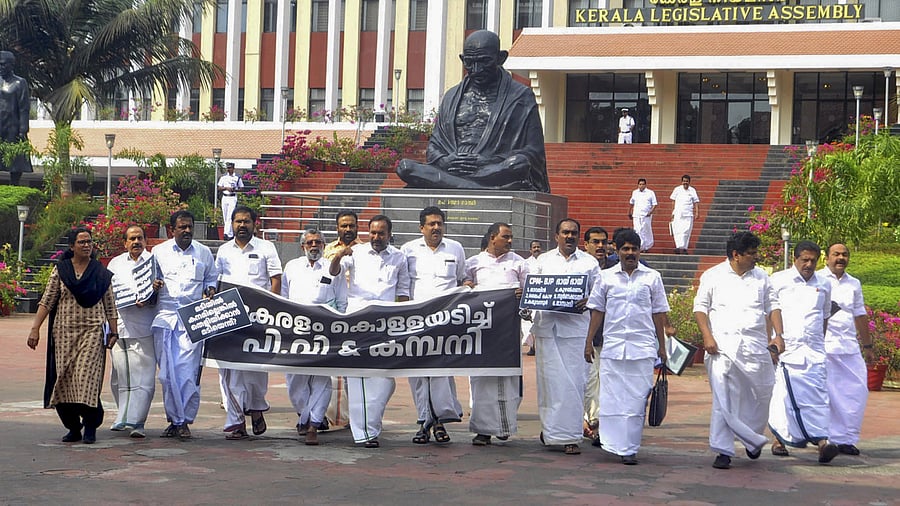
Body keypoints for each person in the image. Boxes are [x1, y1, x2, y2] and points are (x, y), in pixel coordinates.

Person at [396, 30, 549, 192]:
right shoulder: (451, 96)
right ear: (462, 59)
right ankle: (485, 188)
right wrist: (445, 161)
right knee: (405, 167)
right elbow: (435, 145)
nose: (476, 69)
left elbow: (534, 151)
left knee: (518, 163)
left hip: (492, 168)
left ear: (501, 58)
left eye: (484, 61)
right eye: (469, 62)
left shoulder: (520, 96)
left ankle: (451, 183)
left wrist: (488, 161)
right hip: (454, 168)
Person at [693, 232, 784, 470]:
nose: (755, 257)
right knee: (724, 400)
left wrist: (778, 335)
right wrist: (707, 336)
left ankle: (752, 439)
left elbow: (772, 306)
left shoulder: (762, 277)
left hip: (755, 347)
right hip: (722, 348)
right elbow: (700, 308)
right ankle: (723, 451)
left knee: (762, 396)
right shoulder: (712, 276)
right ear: (736, 255)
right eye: (751, 253)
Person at [584, 228, 668, 465]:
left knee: (636, 398)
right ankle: (614, 444)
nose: (630, 253)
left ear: (640, 250)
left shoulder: (652, 277)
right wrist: (588, 342)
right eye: (626, 249)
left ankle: (629, 447)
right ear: (617, 251)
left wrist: (662, 347)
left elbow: (659, 313)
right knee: (611, 398)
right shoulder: (606, 277)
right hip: (613, 347)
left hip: (642, 348)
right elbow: (597, 311)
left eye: (634, 249)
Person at [26, 227, 118, 444]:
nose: (87, 245)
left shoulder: (100, 273)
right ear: (71, 246)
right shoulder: (61, 270)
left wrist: (113, 331)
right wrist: (35, 328)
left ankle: (90, 427)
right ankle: (73, 426)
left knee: (87, 380)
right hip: (64, 334)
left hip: (92, 333)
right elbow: (47, 300)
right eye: (82, 242)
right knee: (65, 381)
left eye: (89, 242)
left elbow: (110, 305)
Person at [329, 215, 410, 448]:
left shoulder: (399, 257)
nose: (376, 237)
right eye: (373, 233)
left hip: (386, 321)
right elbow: (334, 272)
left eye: (381, 233)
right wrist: (339, 255)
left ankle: (372, 423)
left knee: (385, 379)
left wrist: (402, 320)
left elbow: (403, 291)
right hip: (358, 320)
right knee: (358, 378)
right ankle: (364, 433)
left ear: (389, 233)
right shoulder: (357, 253)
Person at [531, 219, 601, 456]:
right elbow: (532, 290)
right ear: (556, 236)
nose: (569, 236)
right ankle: (550, 432)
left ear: (579, 237)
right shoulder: (543, 261)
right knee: (549, 384)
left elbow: (599, 296)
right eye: (565, 233)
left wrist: (589, 300)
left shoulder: (589, 263)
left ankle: (571, 436)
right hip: (547, 329)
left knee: (574, 383)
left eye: (574, 233)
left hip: (575, 331)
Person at [401, 206, 467, 445]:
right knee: (418, 375)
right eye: (431, 224)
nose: (436, 228)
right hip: (417, 320)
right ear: (422, 228)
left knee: (441, 373)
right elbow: (403, 285)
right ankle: (423, 423)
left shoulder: (455, 248)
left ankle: (439, 420)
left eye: (439, 223)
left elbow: (462, 279)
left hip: (446, 320)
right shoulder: (408, 250)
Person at [215, 205, 282, 440]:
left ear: (256, 223)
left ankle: (255, 408)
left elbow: (275, 280)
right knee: (230, 371)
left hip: (259, 318)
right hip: (229, 318)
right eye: (237, 222)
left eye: (246, 221)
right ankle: (235, 422)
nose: (241, 226)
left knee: (256, 370)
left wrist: (272, 311)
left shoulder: (267, 247)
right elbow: (217, 282)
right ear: (231, 224)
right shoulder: (223, 251)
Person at [768, 241, 839, 464]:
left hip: (815, 350)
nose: (808, 264)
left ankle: (822, 442)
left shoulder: (825, 284)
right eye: (804, 260)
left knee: (819, 397)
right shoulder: (779, 280)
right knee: (784, 398)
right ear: (795, 259)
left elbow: (825, 316)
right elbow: (769, 312)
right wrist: (771, 341)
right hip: (786, 350)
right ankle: (779, 440)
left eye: (813, 261)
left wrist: (819, 341)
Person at [152, 210, 218, 439]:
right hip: (165, 318)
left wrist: (210, 289)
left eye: (190, 226)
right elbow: (151, 279)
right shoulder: (158, 252)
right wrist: (155, 284)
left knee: (188, 373)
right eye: (182, 227)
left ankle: (184, 421)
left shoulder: (203, 252)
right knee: (166, 375)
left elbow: (212, 278)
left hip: (194, 319)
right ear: (172, 230)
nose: (187, 231)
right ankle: (174, 419)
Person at [464, 222, 529, 446]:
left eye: (511, 237)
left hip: (509, 330)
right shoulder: (473, 263)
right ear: (493, 238)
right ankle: (482, 430)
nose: (510, 241)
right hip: (482, 332)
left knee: (509, 379)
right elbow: (462, 290)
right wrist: (467, 285)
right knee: (481, 379)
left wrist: (522, 296)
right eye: (506, 237)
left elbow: (530, 295)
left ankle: (504, 426)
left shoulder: (519, 263)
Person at [282, 228, 347, 445]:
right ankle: (305, 416)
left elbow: (342, 301)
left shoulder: (332, 269)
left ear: (323, 246)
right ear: (303, 246)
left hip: (324, 332)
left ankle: (313, 425)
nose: (313, 246)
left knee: (320, 378)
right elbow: (282, 299)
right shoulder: (291, 267)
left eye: (318, 242)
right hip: (296, 331)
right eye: (309, 242)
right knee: (294, 380)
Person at [818, 243, 873, 456]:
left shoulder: (854, 283)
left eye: (844, 254)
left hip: (848, 346)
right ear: (827, 257)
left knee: (856, 391)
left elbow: (859, 314)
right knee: (828, 395)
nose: (841, 258)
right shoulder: (818, 280)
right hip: (825, 346)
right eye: (836, 254)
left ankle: (847, 439)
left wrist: (867, 345)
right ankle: (828, 439)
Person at [107, 225, 161, 438]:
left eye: (140, 238)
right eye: (132, 239)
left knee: (144, 377)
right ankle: (123, 416)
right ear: (125, 243)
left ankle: (138, 421)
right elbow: (109, 292)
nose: (136, 242)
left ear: (145, 241)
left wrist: (150, 294)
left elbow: (160, 290)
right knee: (120, 376)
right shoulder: (116, 263)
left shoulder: (153, 263)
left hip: (145, 325)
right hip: (120, 325)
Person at [582, 226, 610, 446]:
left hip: (610, 336)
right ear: (586, 245)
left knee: (604, 383)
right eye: (595, 242)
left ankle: (599, 425)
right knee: (589, 382)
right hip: (581, 336)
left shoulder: (615, 269)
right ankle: (589, 422)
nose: (600, 246)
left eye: (603, 242)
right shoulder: (579, 267)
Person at [0, 51, 33, 185]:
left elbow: (24, 108)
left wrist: (23, 129)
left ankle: (15, 185)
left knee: (15, 159)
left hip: (12, 126)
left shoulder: (20, 82)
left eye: (2, 65)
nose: (0, 68)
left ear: (11, 65)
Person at [669, 175, 700, 254]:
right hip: (678, 213)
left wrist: (697, 212)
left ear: (689, 182)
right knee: (677, 230)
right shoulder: (677, 189)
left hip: (688, 214)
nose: (685, 183)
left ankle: (684, 248)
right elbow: (673, 201)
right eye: (684, 181)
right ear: (682, 182)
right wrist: (672, 212)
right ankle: (678, 247)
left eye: (687, 181)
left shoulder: (692, 190)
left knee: (686, 231)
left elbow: (696, 202)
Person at [522, 240, 543, 356]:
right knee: (527, 323)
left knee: (540, 320)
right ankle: (532, 346)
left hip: (542, 295)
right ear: (530, 250)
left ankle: (538, 346)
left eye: (538, 247)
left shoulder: (546, 261)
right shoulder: (526, 263)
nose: (536, 249)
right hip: (529, 295)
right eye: (534, 247)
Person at [217, 162, 243, 240]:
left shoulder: (237, 177)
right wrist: (226, 188)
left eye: (230, 168)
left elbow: (241, 187)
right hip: (225, 197)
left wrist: (235, 189)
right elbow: (219, 187)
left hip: (232, 197)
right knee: (225, 216)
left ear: (233, 168)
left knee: (229, 215)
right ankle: (229, 233)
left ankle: (227, 233)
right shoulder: (223, 177)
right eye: (228, 168)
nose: (229, 170)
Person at [629, 179, 657, 252]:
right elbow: (632, 203)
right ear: (638, 185)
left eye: (643, 184)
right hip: (636, 215)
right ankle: (640, 246)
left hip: (646, 215)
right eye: (640, 184)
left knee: (645, 230)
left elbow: (654, 204)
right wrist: (630, 211)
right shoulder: (635, 192)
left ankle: (646, 246)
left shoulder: (650, 193)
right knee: (638, 230)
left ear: (645, 185)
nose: (641, 186)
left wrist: (650, 212)